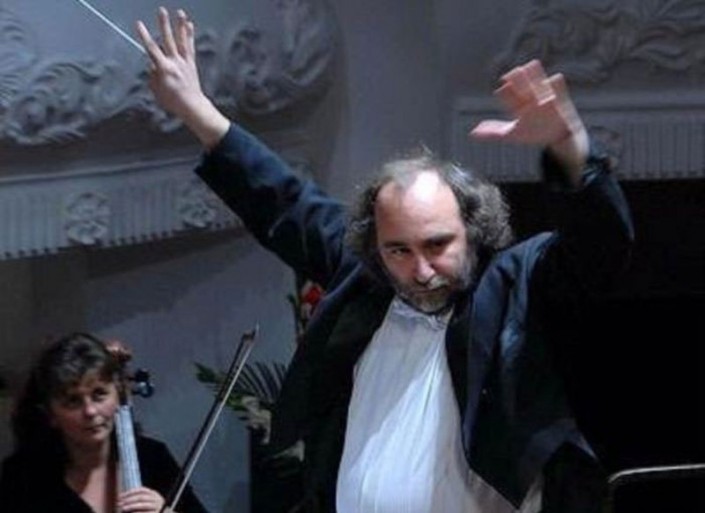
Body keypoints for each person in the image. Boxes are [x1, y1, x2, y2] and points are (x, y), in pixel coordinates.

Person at [135, 8, 634, 513]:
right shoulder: (364, 278)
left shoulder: (512, 285)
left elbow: (600, 249)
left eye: (437, 245)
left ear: (473, 229)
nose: (421, 271)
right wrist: (195, 109)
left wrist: (569, 146)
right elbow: (281, 200)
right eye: (399, 250)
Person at [0, 332, 209, 513]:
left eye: (99, 395)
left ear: (118, 394)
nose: (90, 411)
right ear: (50, 414)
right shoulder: (22, 477)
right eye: (73, 401)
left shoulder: (152, 458)